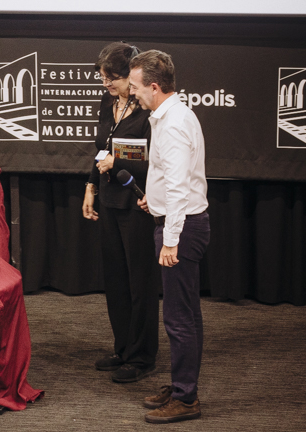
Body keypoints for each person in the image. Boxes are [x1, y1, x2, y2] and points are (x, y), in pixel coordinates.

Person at [129, 50, 210, 424]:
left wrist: (171, 239)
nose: (133, 93)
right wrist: (154, 200)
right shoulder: (167, 116)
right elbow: (169, 180)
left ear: (155, 86)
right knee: (186, 315)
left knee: (179, 318)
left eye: (135, 86)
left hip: (182, 228)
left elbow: (179, 188)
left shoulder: (174, 122)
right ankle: (182, 385)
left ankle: (186, 398)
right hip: (178, 219)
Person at [83, 42, 160, 383]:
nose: (106, 84)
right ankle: (123, 348)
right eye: (103, 78)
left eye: (112, 78)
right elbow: (102, 149)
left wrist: (121, 162)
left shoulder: (148, 110)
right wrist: (91, 186)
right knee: (114, 279)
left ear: (131, 75)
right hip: (110, 200)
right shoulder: (107, 102)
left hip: (139, 202)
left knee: (139, 282)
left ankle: (142, 357)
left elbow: (156, 161)